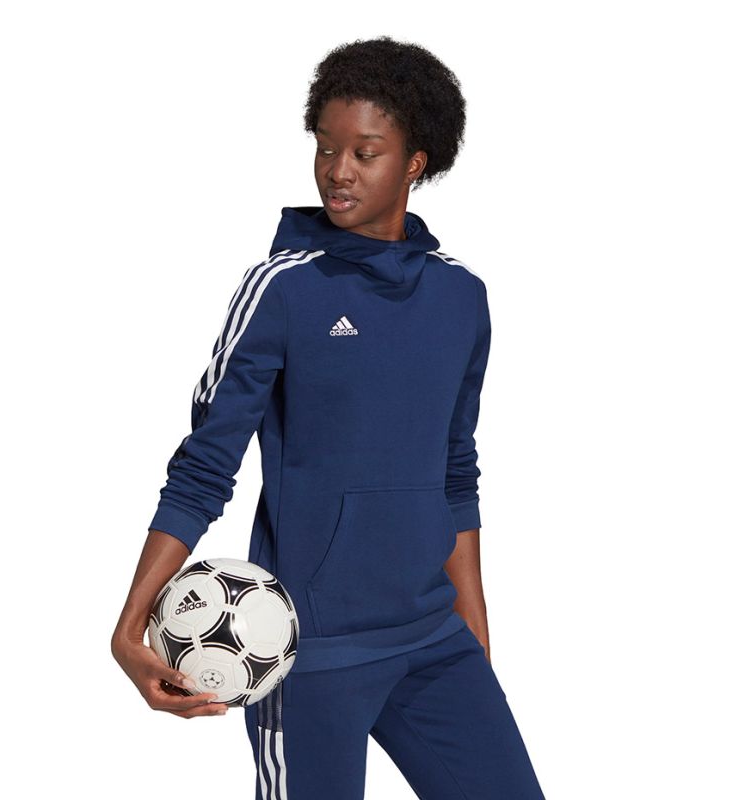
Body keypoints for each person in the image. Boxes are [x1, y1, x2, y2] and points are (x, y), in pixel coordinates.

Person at [112, 35, 546, 800]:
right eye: (325, 148)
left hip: (433, 641)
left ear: (415, 163)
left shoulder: (461, 297)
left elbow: (455, 471)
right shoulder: (282, 289)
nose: (337, 170)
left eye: (365, 153)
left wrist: (475, 631)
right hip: (308, 654)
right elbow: (205, 466)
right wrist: (130, 625)